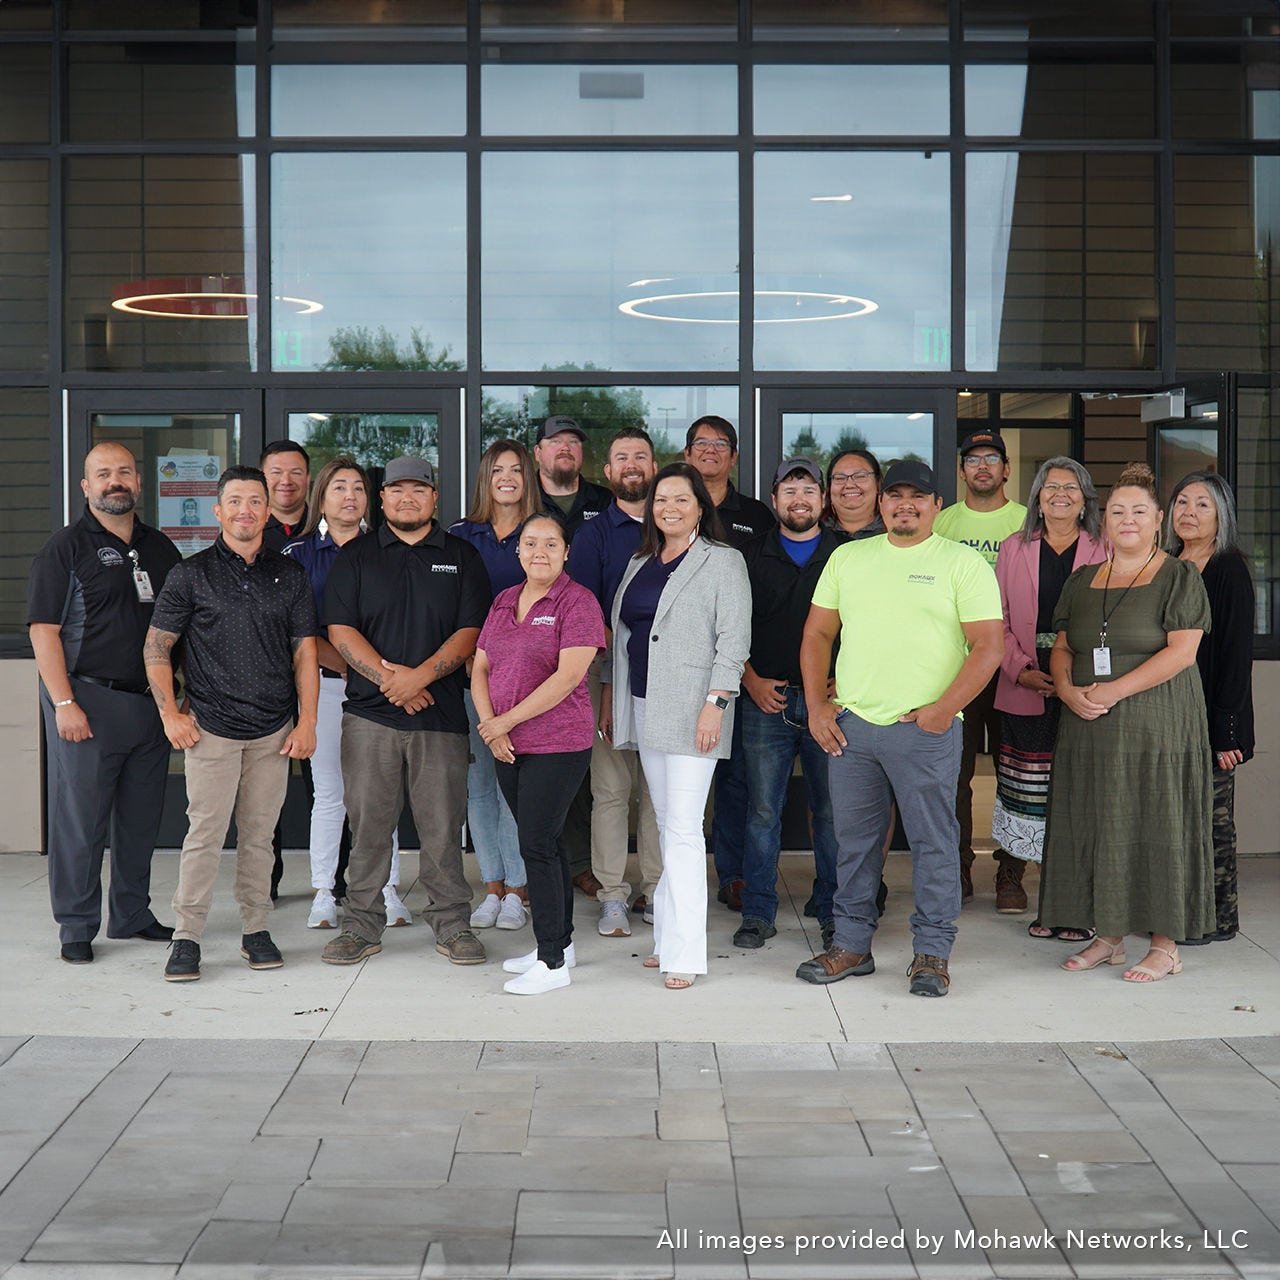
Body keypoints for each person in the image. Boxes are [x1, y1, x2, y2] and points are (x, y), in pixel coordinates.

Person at [798, 460, 1002, 998]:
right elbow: (818, 634)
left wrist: (942, 710)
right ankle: (851, 945)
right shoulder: (848, 557)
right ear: (881, 503)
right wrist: (818, 706)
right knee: (855, 844)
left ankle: (932, 955)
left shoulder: (962, 564)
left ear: (938, 505)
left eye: (917, 496)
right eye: (895, 495)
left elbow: (989, 646)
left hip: (925, 729)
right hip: (853, 728)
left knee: (935, 843)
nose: (904, 504)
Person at [144, 465, 319, 982]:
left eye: (256, 501)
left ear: (268, 511)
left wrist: (307, 720)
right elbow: (157, 648)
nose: (247, 510)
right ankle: (187, 936)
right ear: (219, 511)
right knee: (204, 835)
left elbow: (305, 653)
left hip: (273, 732)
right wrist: (170, 714)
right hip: (211, 730)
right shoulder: (189, 573)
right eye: (236, 501)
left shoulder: (289, 575)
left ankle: (256, 929)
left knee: (260, 837)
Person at [1041, 462, 1214, 983]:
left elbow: (1183, 654)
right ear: (1104, 521)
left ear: (1158, 519)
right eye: (1117, 511)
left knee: (1159, 826)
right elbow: (1063, 647)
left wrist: (1114, 689)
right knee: (1099, 824)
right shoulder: (1080, 580)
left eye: (1139, 510)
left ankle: (1164, 946)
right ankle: (1110, 937)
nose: (1128, 519)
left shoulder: (1179, 576)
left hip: (1159, 726)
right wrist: (1068, 691)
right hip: (1089, 726)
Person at [319, 456, 492, 968]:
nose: (407, 498)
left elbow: (471, 633)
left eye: (418, 489)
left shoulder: (462, 556)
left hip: (440, 720)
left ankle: (453, 924)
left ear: (434, 497)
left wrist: (421, 678)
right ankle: (360, 925)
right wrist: (392, 681)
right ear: (383, 498)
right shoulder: (356, 557)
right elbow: (340, 630)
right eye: (397, 490)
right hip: (370, 718)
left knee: (442, 830)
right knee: (368, 828)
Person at [27, 442, 182, 964]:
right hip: (86, 701)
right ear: (86, 486)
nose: (115, 481)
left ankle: (132, 913)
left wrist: (177, 702)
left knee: (141, 819)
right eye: (102, 474)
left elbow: (180, 631)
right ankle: (76, 925)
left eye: (123, 473)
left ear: (138, 482)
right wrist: (63, 701)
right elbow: (44, 631)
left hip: (149, 704)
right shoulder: (64, 548)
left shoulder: (161, 550)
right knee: (80, 820)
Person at [605, 462, 751, 989]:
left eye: (681, 500)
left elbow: (733, 642)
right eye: (660, 499)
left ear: (699, 506)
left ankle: (686, 954)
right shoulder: (642, 559)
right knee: (666, 825)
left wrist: (716, 702)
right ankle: (669, 936)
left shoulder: (722, 561)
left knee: (685, 829)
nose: (669, 507)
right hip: (646, 705)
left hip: (695, 711)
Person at [472, 513, 606, 994]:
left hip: (557, 744)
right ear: (518, 550)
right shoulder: (505, 600)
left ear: (567, 552)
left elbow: (568, 677)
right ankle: (561, 944)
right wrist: (492, 729)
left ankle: (551, 964)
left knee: (536, 846)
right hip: (507, 746)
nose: (540, 552)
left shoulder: (579, 602)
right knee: (547, 844)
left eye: (551, 543)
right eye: (531, 543)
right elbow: (480, 667)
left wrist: (504, 723)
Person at [281, 457, 411, 932]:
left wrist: (380, 676)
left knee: (381, 795)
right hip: (327, 688)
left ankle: (389, 888)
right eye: (339, 487)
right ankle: (323, 892)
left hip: (383, 690)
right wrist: (363, 671)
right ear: (322, 496)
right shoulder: (297, 556)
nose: (350, 496)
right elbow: (300, 635)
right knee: (331, 793)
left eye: (358, 488)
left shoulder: (390, 549)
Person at [991, 458, 1108, 934]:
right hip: (1024, 678)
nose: (1060, 494)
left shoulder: (1105, 547)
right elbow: (993, 617)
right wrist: (1020, 670)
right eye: (1050, 486)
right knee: (1023, 784)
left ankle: (1069, 887)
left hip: (1085, 682)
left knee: (1078, 788)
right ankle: (1011, 872)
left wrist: (1073, 676)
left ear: (1085, 498)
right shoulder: (1013, 547)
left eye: (1071, 486)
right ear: (1036, 496)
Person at [737, 458, 846, 953]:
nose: (799, 498)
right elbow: (727, 627)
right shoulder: (748, 555)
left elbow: (868, 626)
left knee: (830, 812)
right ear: (774, 499)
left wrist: (841, 684)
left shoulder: (846, 554)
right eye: (789, 489)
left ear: (822, 500)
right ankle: (758, 912)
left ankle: (830, 911)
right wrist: (750, 680)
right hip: (766, 700)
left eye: (808, 489)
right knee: (763, 812)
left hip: (831, 705)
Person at [566, 427, 661, 939]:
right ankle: (612, 895)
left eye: (640, 457)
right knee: (610, 789)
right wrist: (607, 685)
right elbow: (584, 612)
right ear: (607, 472)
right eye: (621, 457)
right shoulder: (594, 534)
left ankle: (655, 888)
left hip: (666, 676)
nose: (631, 464)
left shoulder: (675, 526)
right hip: (604, 671)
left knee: (657, 790)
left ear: (654, 467)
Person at [682, 415, 774, 915]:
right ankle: (679, 876)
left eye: (721, 444)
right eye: (702, 443)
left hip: (739, 669)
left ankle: (733, 875)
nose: (711, 450)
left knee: (738, 778)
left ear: (734, 457)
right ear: (688, 453)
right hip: (679, 666)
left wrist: (748, 671)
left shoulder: (757, 517)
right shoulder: (673, 507)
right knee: (680, 782)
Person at [449, 439, 539, 932]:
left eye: (516, 469)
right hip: (470, 682)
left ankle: (519, 892)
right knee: (480, 787)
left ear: (529, 477)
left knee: (515, 789)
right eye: (497, 469)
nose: (507, 477)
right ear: (485, 478)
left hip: (528, 689)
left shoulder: (542, 534)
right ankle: (492, 886)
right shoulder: (461, 538)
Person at [934, 430, 1028, 903]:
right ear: (963, 470)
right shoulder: (944, 522)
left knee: (1017, 773)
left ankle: (1011, 874)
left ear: (1006, 470)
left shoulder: (1028, 522)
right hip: (960, 668)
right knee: (957, 775)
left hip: (1016, 669)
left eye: (992, 458)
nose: (983, 467)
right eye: (973, 460)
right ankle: (960, 868)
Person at [1167, 470, 1254, 945]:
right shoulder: (1165, 565)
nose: (1190, 513)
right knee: (1175, 821)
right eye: (1182, 502)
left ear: (1222, 514)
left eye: (1202, 504)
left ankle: (1218, 919)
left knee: (1212, 824)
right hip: (1167, 715)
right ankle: (1177, 911)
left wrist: (1227, 731)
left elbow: (1236, 657)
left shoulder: (1228, 569)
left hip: (1211, 721)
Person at [533, 415, 611, 537]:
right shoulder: (521, 499)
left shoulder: (606, 501)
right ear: (538, 453)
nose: (565, 448)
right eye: (555, 441)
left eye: (573, 441)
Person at [260, 441, 311, 550]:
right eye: (276, 473)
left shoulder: (327, 529)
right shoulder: (248, 530)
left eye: (295, 473)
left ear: (307, 478)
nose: (286, 481)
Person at [823, 449, 885, 539]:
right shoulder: (814, 534)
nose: (849, 485)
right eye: (840, 478)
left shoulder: (895, 532)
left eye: (860, 476)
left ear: (878, 484)